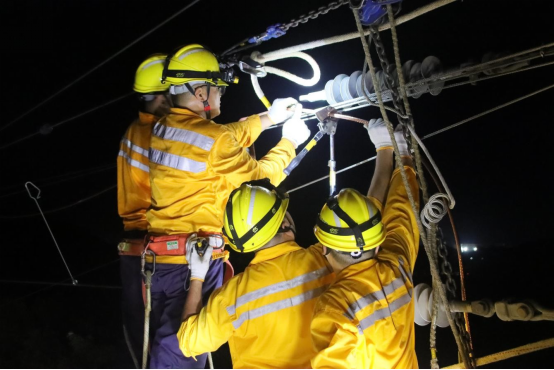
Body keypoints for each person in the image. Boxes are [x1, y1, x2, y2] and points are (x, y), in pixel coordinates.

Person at [144, 44, 312, 369]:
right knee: (182, 352)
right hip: (194, 263)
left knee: (162, 347)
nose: (221, 93)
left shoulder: (163, 129)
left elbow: (222, 137)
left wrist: (269, 118)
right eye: (218, 86)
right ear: (201, 90)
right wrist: (290, 141)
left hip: (159, 264)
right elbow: (259, 187)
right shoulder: (214, 140)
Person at [177, 179, 335, 369]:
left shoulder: (233, 297)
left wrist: (197, 275)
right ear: (284, 222)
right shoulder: (326, 259)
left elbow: (189, 341)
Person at [310, 118, 420, 369]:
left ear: (324, 248)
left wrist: (401, 155)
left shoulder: (335, 306)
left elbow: (401, 210)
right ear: (378, 245)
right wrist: (393, 151)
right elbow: (403, 210)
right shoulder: (397, 267)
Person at [116, 54, 172, 368]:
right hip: (154, 248)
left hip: (134, 248)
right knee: (169, 338)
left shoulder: (134, 131)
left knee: (142, 338)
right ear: (163, 95)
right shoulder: (159, 136)